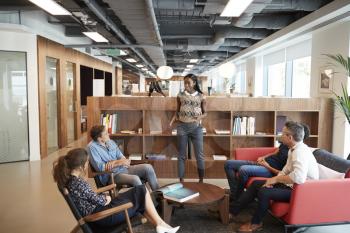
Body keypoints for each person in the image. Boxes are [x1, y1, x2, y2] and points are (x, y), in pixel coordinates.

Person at [52, 148, 179, 233]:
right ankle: (161, 225)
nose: (87, 165)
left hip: (99, 213)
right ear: (80, 166)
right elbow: (99, 201)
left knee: (140, 191)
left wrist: (103, 198)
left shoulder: (71, 182)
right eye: (86, 163)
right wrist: (106, 198)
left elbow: (89, 198)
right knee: (141, 191)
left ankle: (160, 224)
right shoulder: (78, 183)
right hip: (102, 217)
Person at [230, 121, 319, 232]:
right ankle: (231, 212)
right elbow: (286, 170)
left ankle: (256, 223)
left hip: (301, 191)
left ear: (290, 137)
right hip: (291, 185)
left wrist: (275, 179)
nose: (280, 135)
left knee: (264, 192)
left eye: (283, 133)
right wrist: (273, 181)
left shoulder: (300, 152)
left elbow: (299, 178)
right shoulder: (293, 148)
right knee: (256, 183)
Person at [224, 123, 310, 202]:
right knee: (228, 164)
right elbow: (276, 151)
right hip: (263, 163)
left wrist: (267, 166)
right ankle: (235, 194)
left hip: (269, 170)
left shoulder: (297, 153)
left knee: (243, 169)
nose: (282, 135)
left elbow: (282, 173)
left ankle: (236, 198)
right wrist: (264, 157)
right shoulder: (286, 143)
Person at [87, 125, 160, 191]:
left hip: (124, 168)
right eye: (106, 134)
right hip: (112, 175)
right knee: (135, 179)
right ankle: (145, 202)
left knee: (148, 167)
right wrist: (119, 162)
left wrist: (116, 162)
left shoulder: (110, 142)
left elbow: (122, 157)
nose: (108, 134)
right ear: (99, 138)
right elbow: (100, 168)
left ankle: (158, 197)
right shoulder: (92, 147)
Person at [171, 73, 207, 183]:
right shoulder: (180, 95)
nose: (186, 85)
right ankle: (181, 180)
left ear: (194, 83)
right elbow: (177, 111)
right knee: (181, 155)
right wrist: (173, 120)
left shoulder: (202, 96)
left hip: (196, 128)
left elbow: (206, 113)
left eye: (188, 83)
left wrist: (199, 117)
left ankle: (201, 180)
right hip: (182, 127)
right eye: (184, 83)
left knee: (199, 155)